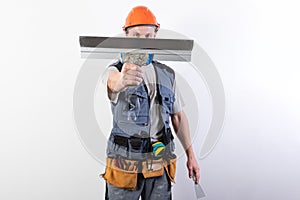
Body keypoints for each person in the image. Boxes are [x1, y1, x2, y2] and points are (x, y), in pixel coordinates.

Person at [101, 5, 200, 200]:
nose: (143, 42)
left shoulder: (166, 74)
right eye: (137, 35)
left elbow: (178, 116)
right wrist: (122, 80)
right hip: (124, 165)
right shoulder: (115, 70)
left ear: (155, 36)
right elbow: (112, 82)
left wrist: (191, 155)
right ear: (126, 36)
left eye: (148, 36)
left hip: (159, 163)